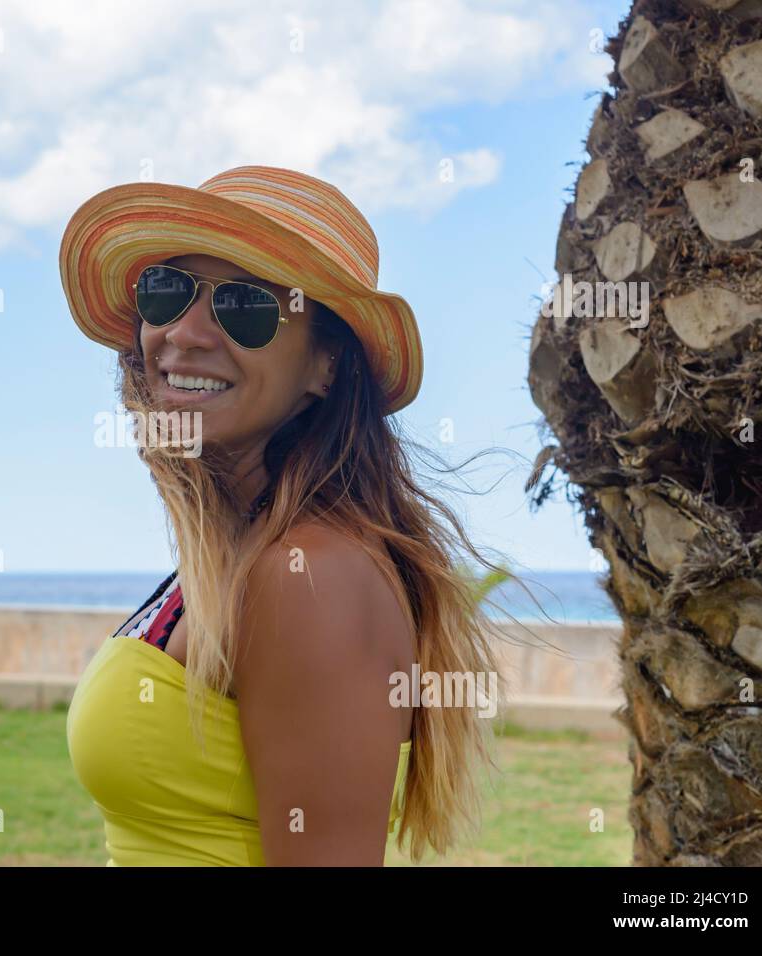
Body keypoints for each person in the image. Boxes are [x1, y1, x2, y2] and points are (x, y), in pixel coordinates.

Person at [60, 165, 506, 866]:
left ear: (324, 366)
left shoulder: (310, 576)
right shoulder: (238, 549)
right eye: (168, 292)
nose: (185, 333)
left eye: (245, 307)